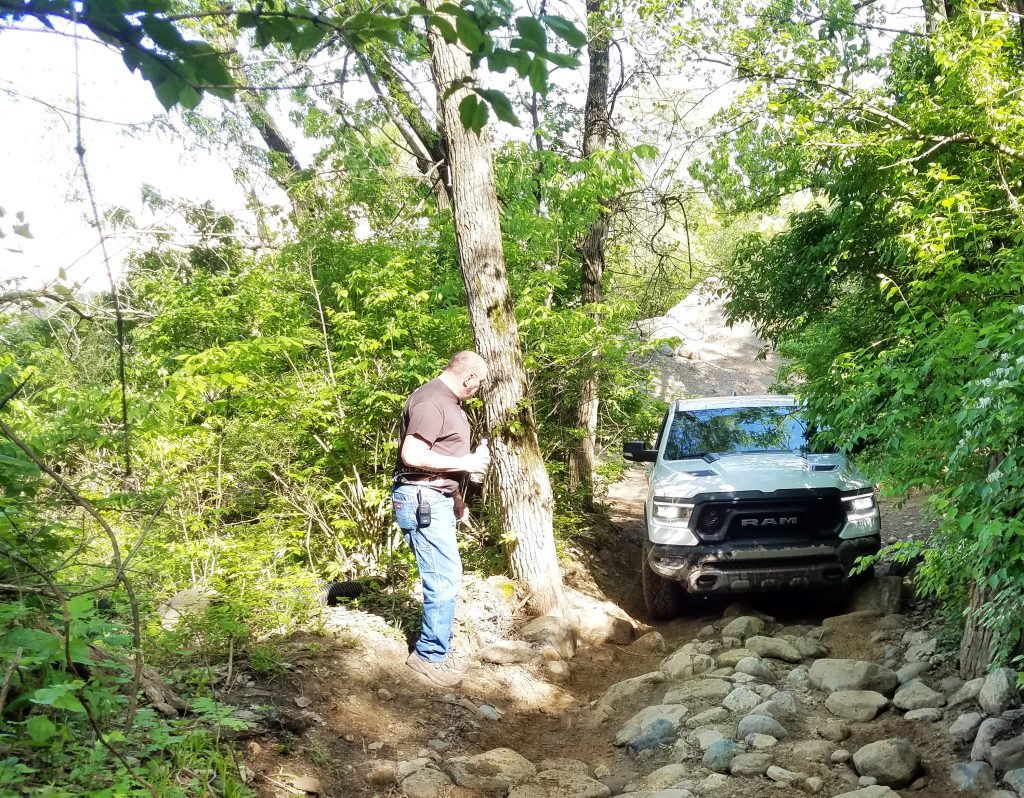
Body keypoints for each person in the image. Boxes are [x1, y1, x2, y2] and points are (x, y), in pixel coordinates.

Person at [392, 351, 491, 687]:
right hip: (423, 499)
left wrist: (457, 498)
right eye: (479, 383)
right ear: (469, 378)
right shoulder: (433, 401)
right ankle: (428, 656)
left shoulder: (447, 402)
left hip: (437, 497)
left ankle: (435, 649)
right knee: (444, 578)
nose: (478, 390)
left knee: (446, 575)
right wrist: (466, 463)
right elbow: (413, 454)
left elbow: (442, 457)